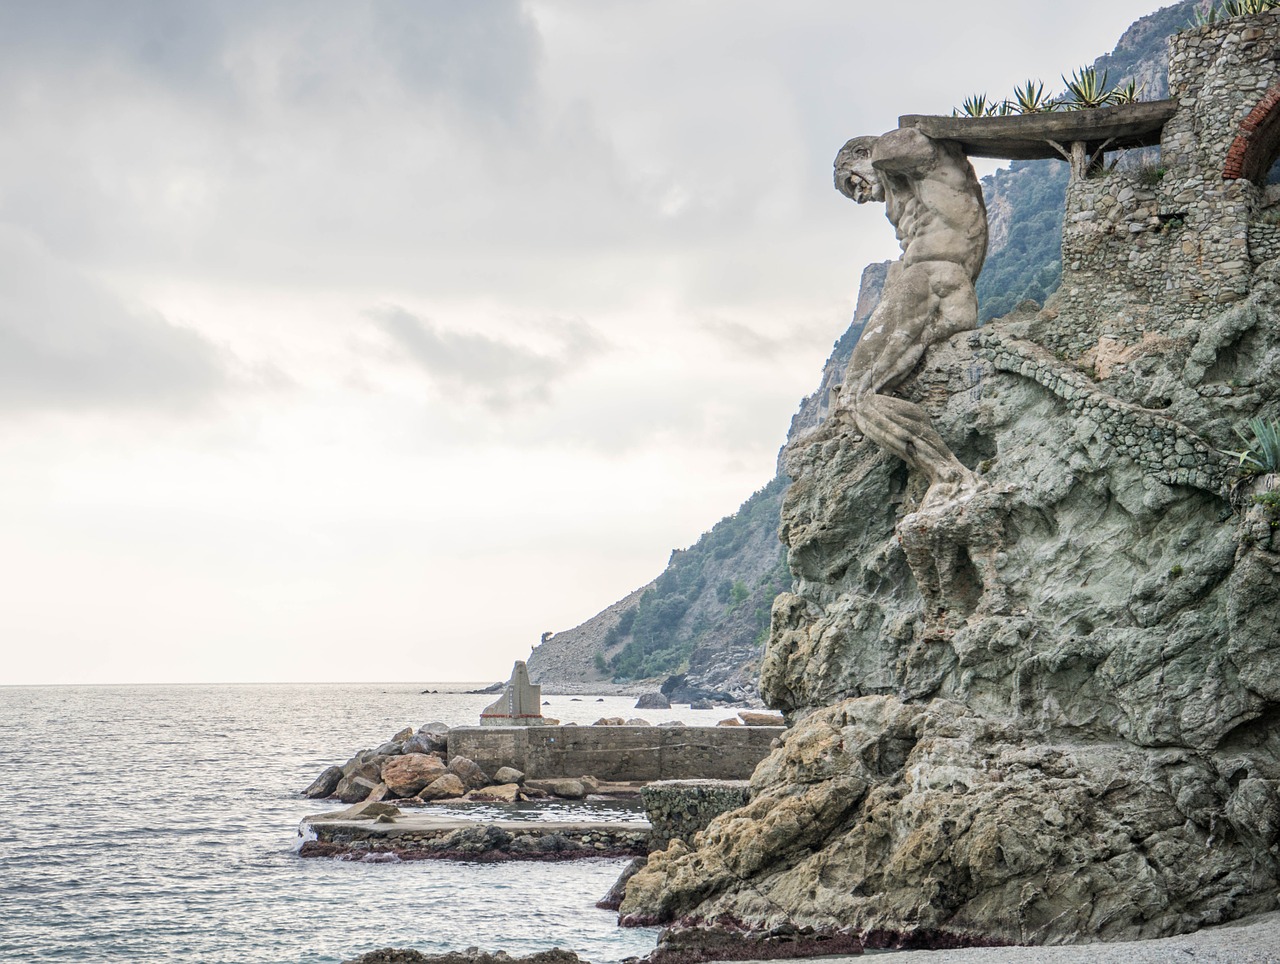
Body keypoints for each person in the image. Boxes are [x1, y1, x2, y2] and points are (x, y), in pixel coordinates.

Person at [833, 128, 988, 507]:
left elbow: (902, 147)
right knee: (862, 392)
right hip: (952, 288)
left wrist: (876, 159)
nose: (858, 197)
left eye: (852, 181)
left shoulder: (896, 150)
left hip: (931, 277)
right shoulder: (917, 189)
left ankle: (949, 475)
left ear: (862, 154)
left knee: (858, 394)